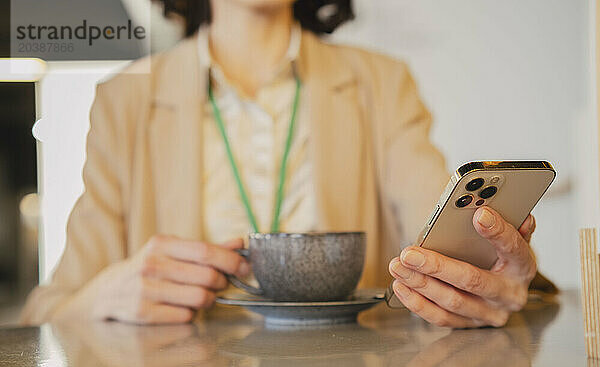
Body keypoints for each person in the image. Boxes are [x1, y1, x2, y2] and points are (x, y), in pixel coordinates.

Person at [20, 0, 555, 327]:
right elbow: (47, 312)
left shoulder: (383, 83)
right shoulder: (124, 102)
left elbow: (441, 245)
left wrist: (490, 277)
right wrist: (102, 298)